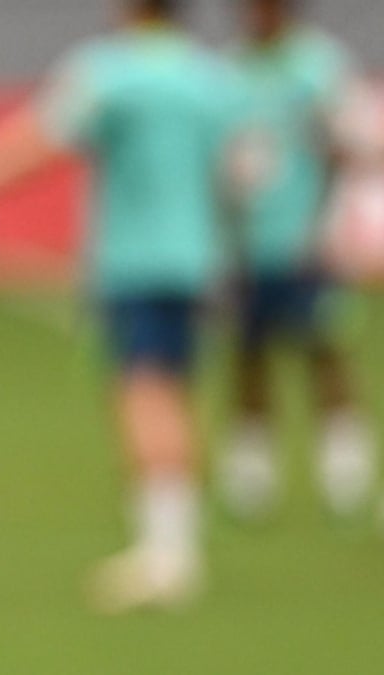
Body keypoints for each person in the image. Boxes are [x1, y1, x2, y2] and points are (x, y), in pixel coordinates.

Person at [0, 0, 232, 612]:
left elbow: (33, 146)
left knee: (144, 394)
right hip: (196, 260)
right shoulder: (207, 76)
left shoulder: (110, 72)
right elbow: (240, 170)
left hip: (137, 262)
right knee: (178, 394)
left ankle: (165, 557)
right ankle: (177, 543)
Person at [217, 0, 377, 522]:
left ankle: (345, 469)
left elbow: (352, 146)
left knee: (323, 347)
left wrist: (327, 223)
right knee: (249, 352)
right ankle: (251, 472)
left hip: (308, 240)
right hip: (245, 243)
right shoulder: (229, 69)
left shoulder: (318, 66)